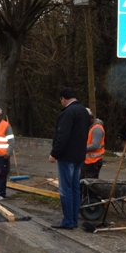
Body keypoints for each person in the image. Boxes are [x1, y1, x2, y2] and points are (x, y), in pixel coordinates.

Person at [48, 88, 90, 229]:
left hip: (67, 156)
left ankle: (68, 221)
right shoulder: (84, 111)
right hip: (79, 155)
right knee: (75, 188)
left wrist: (54, 153)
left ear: (63, 98)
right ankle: (74, 220)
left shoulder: (67, 113)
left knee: (65, 189)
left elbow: (62, 134)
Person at [81, 108, 105, 179]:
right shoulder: (91, 128)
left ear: (90, 118)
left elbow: (95, 145)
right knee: (83, 183)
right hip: (88, 161)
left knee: (89, 184)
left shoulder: (97, 129)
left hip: (94, 161)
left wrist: (81, 148)